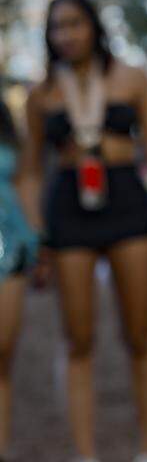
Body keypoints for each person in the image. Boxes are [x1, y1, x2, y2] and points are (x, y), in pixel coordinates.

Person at [17, 0, 147, 462]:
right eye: (57, 27)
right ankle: (85, 454)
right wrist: (36, 233)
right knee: (77, 339)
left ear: (94, 25)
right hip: (67, 209)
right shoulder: (42, 94)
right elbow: (32, 170)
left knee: (139, 335)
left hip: (126, 202)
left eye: (74, 24)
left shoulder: (130, 78)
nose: (66, 35)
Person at [0, 94, 37, 460]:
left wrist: (35, 241)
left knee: (2, 355)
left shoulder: (6, 124)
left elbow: (26, 179)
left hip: (9, 245)